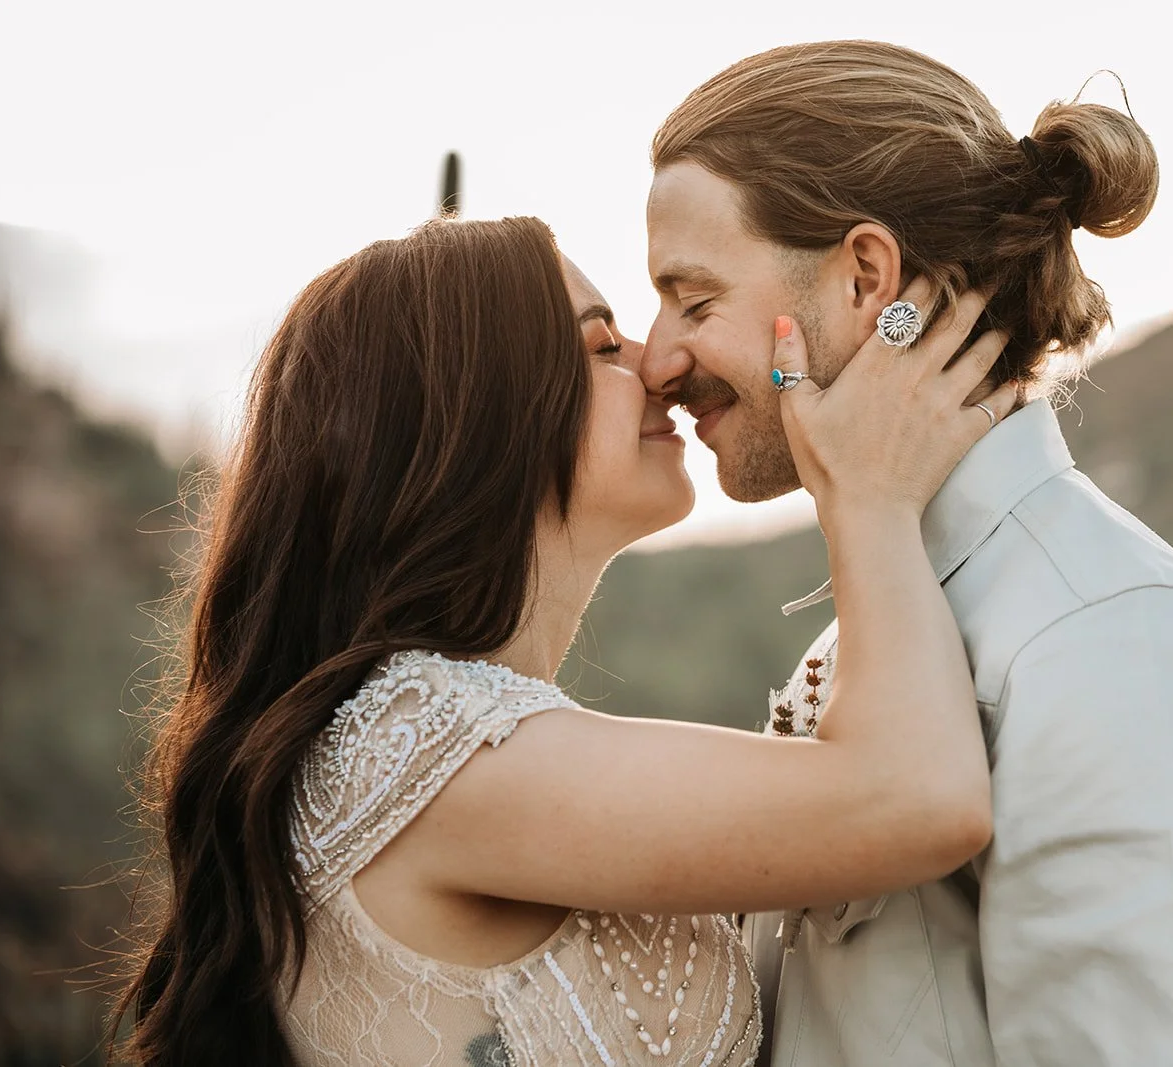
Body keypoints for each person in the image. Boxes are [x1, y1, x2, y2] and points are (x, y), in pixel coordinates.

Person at [112, 215, 1018, 1065]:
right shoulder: (422, 744)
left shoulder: (458, 742)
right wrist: (868, 495)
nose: (659, 365)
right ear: (478, 416)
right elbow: (921, 800)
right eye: (600, 346)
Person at [641, 40, 1173, 1067]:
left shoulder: (1111, 648)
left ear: (866, 279)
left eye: (695, 299)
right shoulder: (902, 619)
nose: (658, 357)